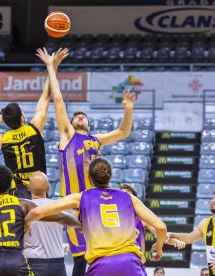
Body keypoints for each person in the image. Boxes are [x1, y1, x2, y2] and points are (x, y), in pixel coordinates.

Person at [36, 47, 137, 275]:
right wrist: (52, 67)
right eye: (76, 116)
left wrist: (129, 109)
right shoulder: (68, 136)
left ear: (89, 125)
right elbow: (59, 100)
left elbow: (123, 131)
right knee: (81, 261)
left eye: (84, 116)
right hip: (75, 206)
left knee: (101, 258)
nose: (80, 116)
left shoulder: (96, 140)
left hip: (96, 205)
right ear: (71, 123)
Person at [25, 157, 167, 276]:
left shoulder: (81, 197)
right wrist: (158, 246)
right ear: (110, 175)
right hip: (130, 264)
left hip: (101, 265)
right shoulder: (129, 198)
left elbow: (38, 212)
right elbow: (161, 227)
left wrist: (28, 221)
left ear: (89, 177)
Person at [0, 48, 69, 199]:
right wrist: (52, 66)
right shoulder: (34, 127)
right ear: (22, 117)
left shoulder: (3, 138)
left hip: (17, 193)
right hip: (38, 188)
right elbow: (46, 96)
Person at [119, 184, 186, 276]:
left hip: (135, 264)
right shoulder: (110, 219)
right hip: (117, 263)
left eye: (127, 195)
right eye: (121, 194)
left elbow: (161, 234)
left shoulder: (142, 219)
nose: (123, 197)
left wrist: (175, 241)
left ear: (134, 200)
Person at [23, 171, 67, 276]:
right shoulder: (58, 207)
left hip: (33, 262)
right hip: (58, 264)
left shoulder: (22, 209)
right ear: (48, 187)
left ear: (28, 187)